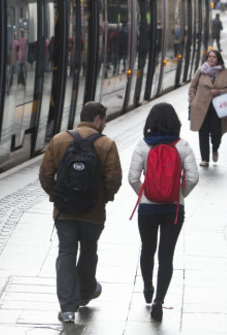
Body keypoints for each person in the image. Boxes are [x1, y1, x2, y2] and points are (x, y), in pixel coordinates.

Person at [38, 101, 122, 324]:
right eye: (104, 120)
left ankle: (67, 308)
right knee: (88, 251)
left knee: (66, 253)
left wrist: (56, 196)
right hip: (93, 213)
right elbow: (114, 179)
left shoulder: (59, 140)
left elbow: (45, 174)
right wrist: (104, 198)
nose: (104, 124)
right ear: (97, 119)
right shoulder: (107, 144)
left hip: (64, 213)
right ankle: (85, 293)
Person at [128, 103, 199, 321]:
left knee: (147, 249)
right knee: (166, 255)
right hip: (173, 209)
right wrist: (179, 194)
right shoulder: (183, 146)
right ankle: (159, 300)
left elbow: (132, 177)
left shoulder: (143, 145)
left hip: (147, 208)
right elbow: (193, 177)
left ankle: (148, 287)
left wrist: (146, 193)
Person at [189, 50, 227, 167]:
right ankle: (205, 159)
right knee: (202, 132)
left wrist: (219, 91)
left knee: (216, 132)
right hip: (201, 107)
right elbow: (192, 86)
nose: (211, 59)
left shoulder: (224, 72)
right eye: (209, 57)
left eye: (214, 57)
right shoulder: (201, 70)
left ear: (218, 59)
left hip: (217, 108)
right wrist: (193, 101)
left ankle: (215, 148)